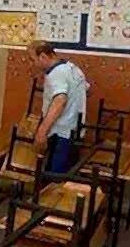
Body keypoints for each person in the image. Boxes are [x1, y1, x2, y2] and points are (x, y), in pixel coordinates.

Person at [27, 40, 89, 174]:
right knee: (66, 174)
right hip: (75, 131)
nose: (32, 64)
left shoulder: (56, 74)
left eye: (32, 59)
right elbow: (87, 89)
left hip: (61, 134)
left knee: (55, 178)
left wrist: (42, 131)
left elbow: (60, 100)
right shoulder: (72, 68)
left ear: (43, 56)